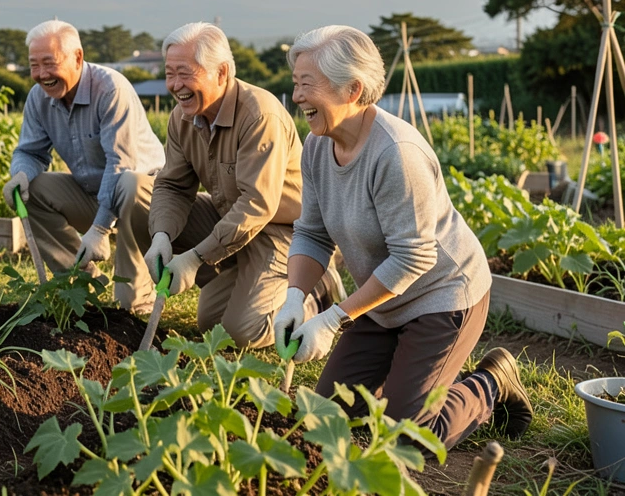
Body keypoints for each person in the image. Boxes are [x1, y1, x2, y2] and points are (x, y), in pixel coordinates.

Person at [275, 25, 531, 448]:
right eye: (295, 83)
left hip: (442, 296)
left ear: (352, 89)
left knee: (407, 437)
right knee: (327, 413)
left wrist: (334, 318)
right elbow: (312, 234)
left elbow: (414, 258)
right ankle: (403, 384)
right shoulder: (317, 146)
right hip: (383, 302)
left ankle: (491, 382)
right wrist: (294, 298)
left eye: (307, 84)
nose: (297, 96)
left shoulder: (396, 153)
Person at [144, 23, 341, 348]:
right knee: (212, 325)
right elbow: (173, 187)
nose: (176, 86)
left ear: (221, 73)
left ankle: (315, 292)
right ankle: (234, 272)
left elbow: (257, 205)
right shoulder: (182, 118)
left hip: (284, 231)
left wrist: (195, 258)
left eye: (185, 74)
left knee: (243, 331)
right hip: (229, 220)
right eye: (169, 74)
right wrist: (162, 236)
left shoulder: (259, 115)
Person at [3, 19, 166, 311]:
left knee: (128, 306)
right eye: (34, 65)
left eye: (49, 63)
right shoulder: (39, 98)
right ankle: (79, 282)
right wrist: (21, 174)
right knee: (34, 188)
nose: (41, 75)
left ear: (77, 58)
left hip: (143, 201)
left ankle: (138, 296)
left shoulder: (110, 89)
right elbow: (30, 151)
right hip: (93, 192)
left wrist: (100, 229)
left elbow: (120, 165)